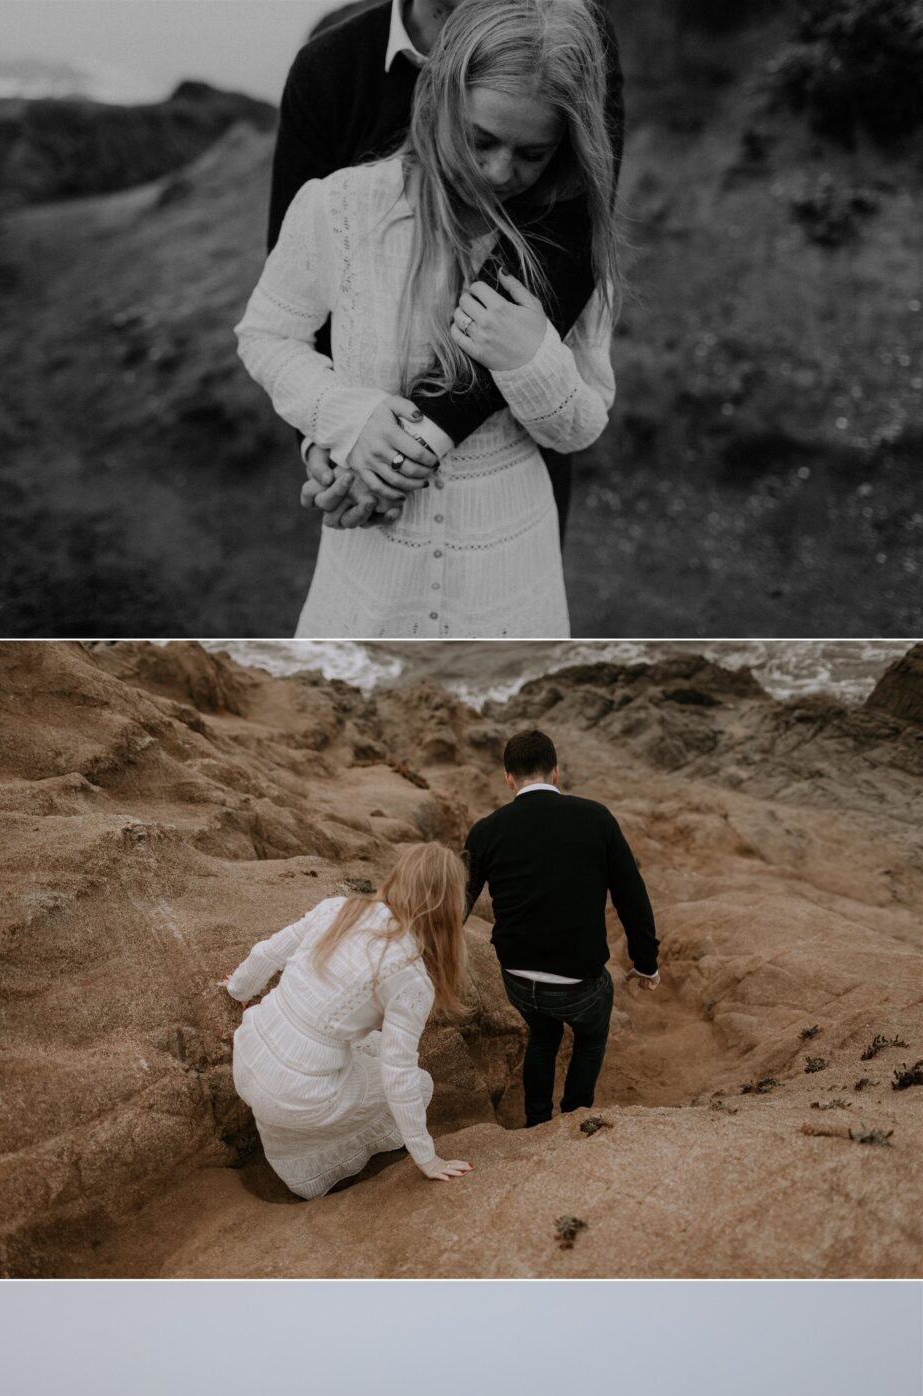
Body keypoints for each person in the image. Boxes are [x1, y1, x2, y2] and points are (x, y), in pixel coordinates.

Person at [236, 0, 622, 638]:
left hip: (512, 581)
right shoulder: (336, 208)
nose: (501, 173)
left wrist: (532, 360)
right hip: (370, 576)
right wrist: (339, 424)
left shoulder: (575, 247)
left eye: (533, 153)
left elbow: (582, 424)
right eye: (481, 140)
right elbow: (267, 336)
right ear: (438, 95)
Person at [223, 844, 472, 1198]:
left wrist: (237, 988)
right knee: (417, 1083)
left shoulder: (339, 909)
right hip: (299, 1095)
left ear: (398, 877)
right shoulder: (413, 976)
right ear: (450, 905)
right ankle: (313, 1170)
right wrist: (428, 1160)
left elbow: (268, 953)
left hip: (248, 1054)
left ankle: (294, 1149)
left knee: (361, 1048)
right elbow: (398, 1075)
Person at [464, 726, 660, 1128]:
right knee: (590, 1036)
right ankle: (574, 1115)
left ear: (508, 778)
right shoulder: (596, 818)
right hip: (579, 984)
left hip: (517, 978)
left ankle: (537, 1120)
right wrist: (646, 962)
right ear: (556, 772)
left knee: (542, 1035)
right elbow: (631, 897)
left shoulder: (486, 830)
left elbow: (458, 903)